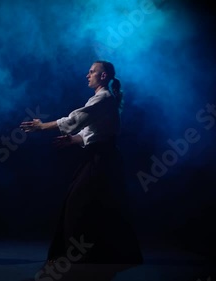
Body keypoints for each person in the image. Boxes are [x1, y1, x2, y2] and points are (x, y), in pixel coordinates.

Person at [20, 61, 143, 268]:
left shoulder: (104, 98)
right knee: (95, 204)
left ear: (103, 76)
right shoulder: (102, 98)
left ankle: (79, 255)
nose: (88, 75)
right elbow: (90, 132)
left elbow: (75, 120)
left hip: (103, 158)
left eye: (92, 72)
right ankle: (94, 253)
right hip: (100, 156)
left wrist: (42, 126)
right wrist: (73, 140)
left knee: (79, 202)